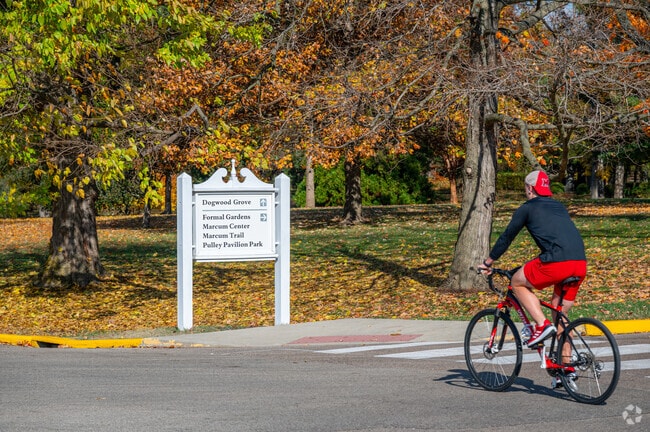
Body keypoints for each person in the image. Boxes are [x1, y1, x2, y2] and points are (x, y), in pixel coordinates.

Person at [478, 170, 587, 348]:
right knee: (560, 320)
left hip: (557, 263)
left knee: (517, 282)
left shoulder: (526, 208)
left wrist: (487, 262)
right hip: (579, 263)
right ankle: (567, 370)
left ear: (530, 188)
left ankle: (541, 325)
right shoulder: (558, 206)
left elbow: (507, 237)